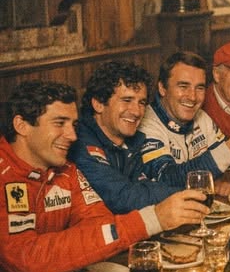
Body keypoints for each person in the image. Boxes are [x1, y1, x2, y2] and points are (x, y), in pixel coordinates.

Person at [0, 81, 208, 272]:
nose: (71, 135)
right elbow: (28, 260)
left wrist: (54, 271)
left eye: (74, 124)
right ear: (22, 125)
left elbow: (99, 223)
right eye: (59, 123)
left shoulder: (66, 171)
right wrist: (152, 218)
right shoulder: (4, 176)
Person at [139, 50, 230, 196]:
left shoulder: (201, 116)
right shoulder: (146, 123)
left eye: (199, 88)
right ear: (162, 88)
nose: (192, 97)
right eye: (183, 86)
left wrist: (229, 175)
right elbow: (166, 178)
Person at [70, 61, 189, 214]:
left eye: (141, 103)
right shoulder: (80, 143)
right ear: (98, 104)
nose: (136, 112)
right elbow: (123, 198)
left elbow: (146, 186)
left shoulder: (130, 141)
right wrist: (185, 193)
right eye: (127, 100)